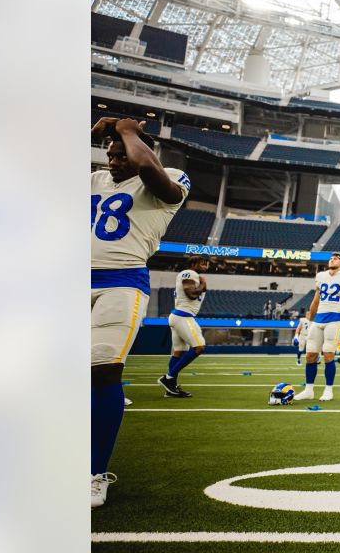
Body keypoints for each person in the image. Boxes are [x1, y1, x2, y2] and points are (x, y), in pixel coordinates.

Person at [91, 117, 190, 506]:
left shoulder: (169, 177)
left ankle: (95, 472)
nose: (113, 161)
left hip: (121, 282)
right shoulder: (96, 180)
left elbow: (150, 169)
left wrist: (129, 130)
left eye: (121, 155)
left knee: (103, 371)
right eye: (110, 154)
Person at [293, 253, 340, 401]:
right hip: (319, 318)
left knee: (328, 353)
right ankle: (309, 390)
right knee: (310, 355)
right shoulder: (320, 276)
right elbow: (315, 301)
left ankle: (328, 390)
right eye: (331, 258)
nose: (332, 259)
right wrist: (311, 320)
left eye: (336, 258)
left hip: (335, 318)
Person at [159, 255, 211, 398]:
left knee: (179, 352)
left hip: (179, 316)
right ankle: (168, 378)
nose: (206, 266)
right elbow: (191, 293)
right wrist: (203, 286)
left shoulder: (191, 275)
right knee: (199, 346)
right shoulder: (189, 273)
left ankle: (171, 389)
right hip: (183, 315)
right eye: (203, 263)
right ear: (193, 263)